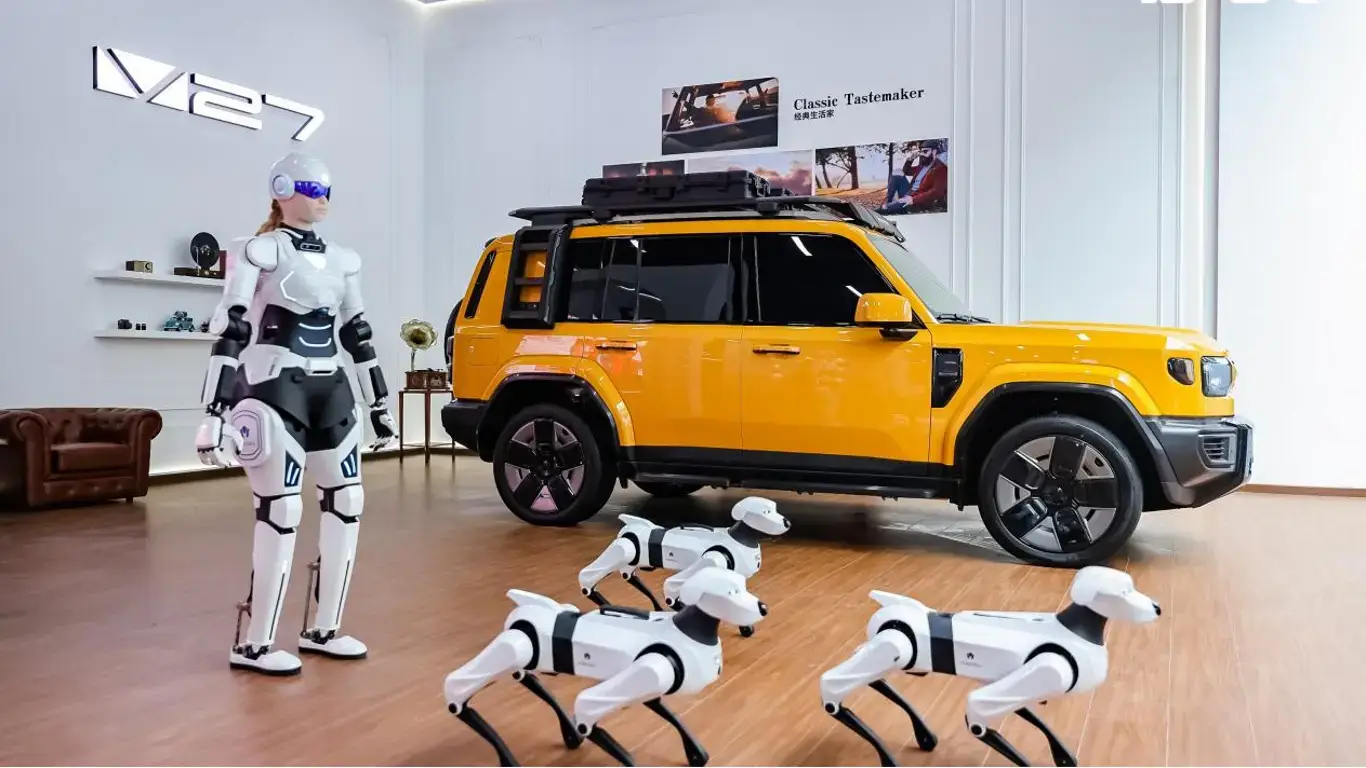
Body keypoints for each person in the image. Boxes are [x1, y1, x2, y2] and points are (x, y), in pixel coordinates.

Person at [195, 151, 398, 676]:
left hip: (332, 388)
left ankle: (324, 628)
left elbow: (358, 333)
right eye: (312, 188)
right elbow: (232, 328)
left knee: (347, 500)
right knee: (280, 510)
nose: (322, 198)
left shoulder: (344, 260)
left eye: (327, 189)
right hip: (273, 385)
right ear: (283, 190)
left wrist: (378, 403)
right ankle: (255, 643)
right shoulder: (258, 251)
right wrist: (215, 413)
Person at [880, 141, 948, 214]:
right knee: (897, 172)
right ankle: (887, 201)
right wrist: (910, 160)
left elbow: (937, 192)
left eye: (925, 151)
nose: (922, 154)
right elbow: (907, 171)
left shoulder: (940, 168)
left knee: (885, 209)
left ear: (934, 152)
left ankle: (887, 207)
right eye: (921, 152)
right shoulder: (922, 166)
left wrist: (913, 199)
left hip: (919, 199)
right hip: (909, 193)